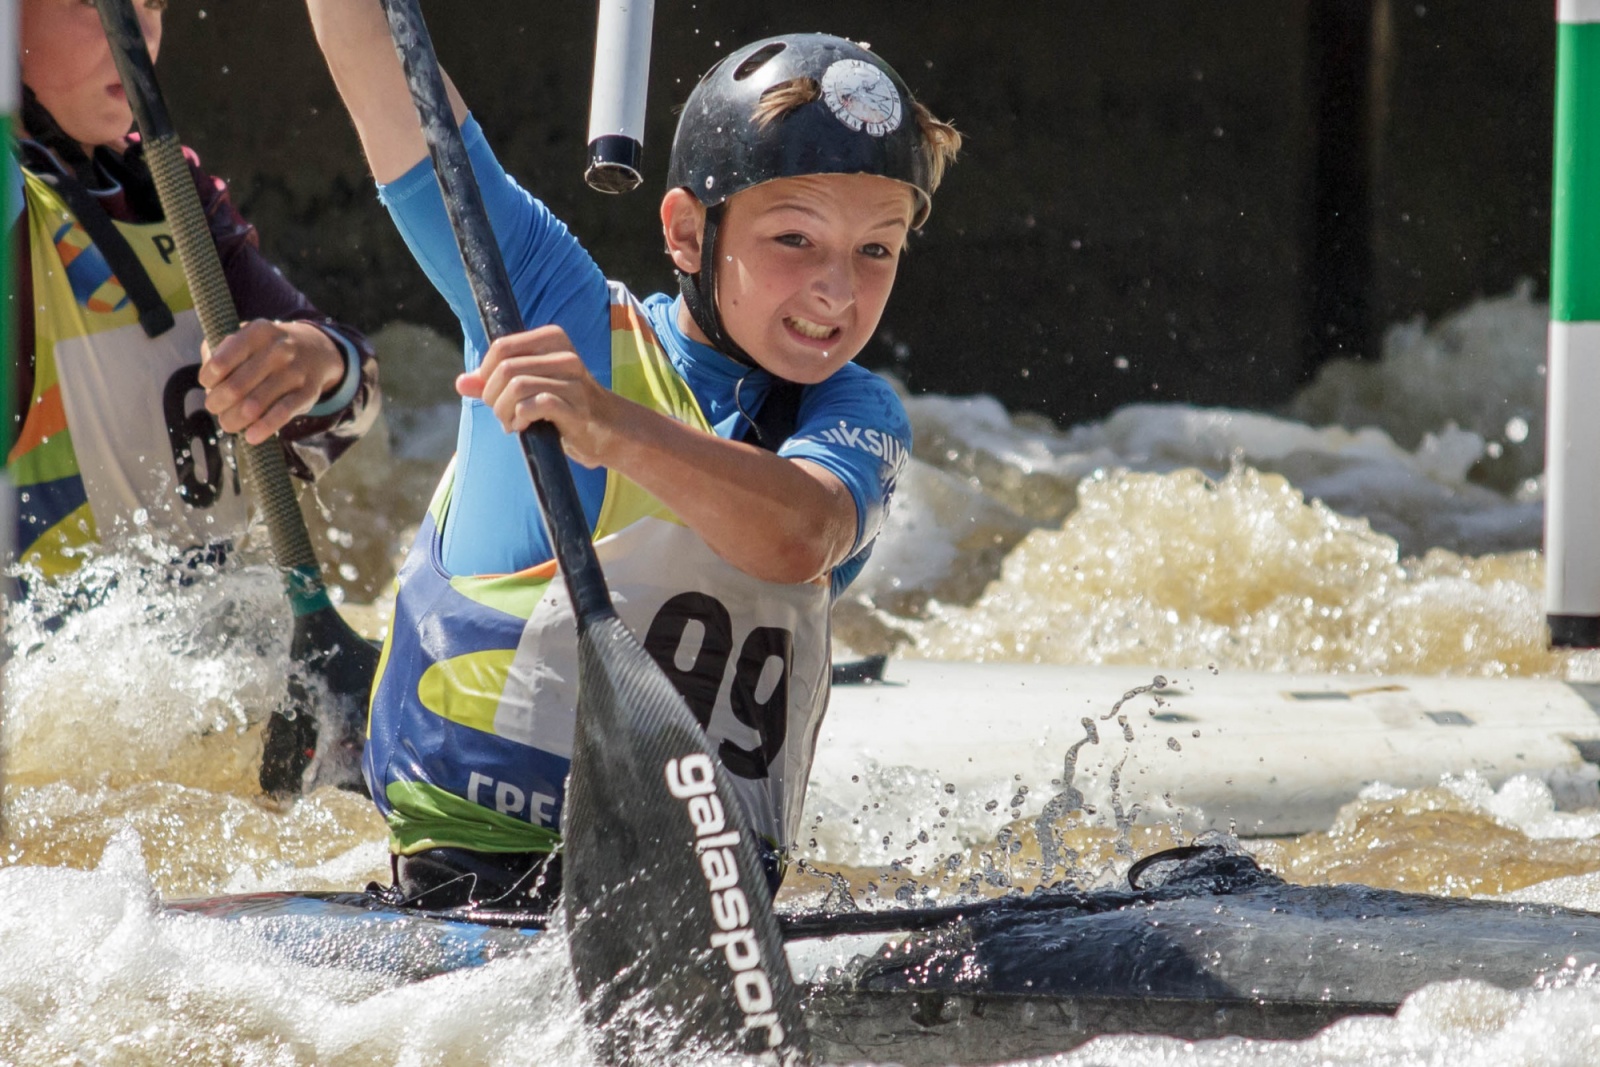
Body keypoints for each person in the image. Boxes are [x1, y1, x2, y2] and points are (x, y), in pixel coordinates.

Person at [307, 0, 959, 912]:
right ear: (688, 232)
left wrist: (610, 427)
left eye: (877, 249)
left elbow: (800, 533)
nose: (837, 291)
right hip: (472, 881)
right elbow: (361, 39)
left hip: (711, 906)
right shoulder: (553, 311)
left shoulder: (854, 411)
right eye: (795, 238)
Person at [12, 0, 380, 584]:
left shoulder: (173, 191)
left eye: (153, 2)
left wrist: (315, 362)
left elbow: (358, 393)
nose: (139, 34)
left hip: (210, 644)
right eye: (95, 2)